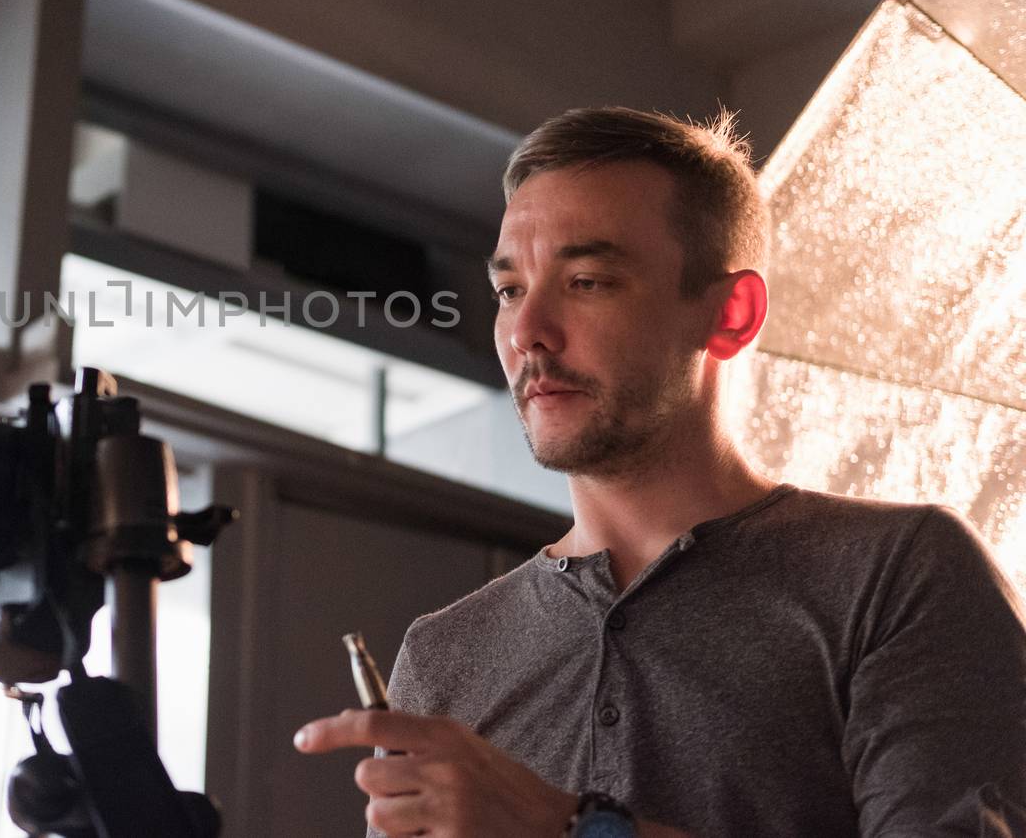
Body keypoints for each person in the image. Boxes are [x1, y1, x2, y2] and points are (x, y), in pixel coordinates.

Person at [294, 107, 1026, 837]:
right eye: (510, 289)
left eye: (587, 280)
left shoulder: (895, 574)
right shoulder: (443, 654)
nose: (527, 332)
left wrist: (572, 829)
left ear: (732, 313)